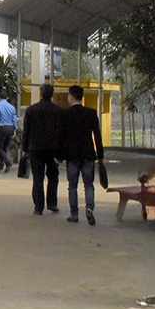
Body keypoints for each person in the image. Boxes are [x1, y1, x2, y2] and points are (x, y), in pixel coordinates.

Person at [61, 84, 104, 225]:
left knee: (72, 186)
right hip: (88, 154)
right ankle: (89, 208)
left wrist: (60, 155)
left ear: (72, 96)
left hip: (72, 156)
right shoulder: (91, 113)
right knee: (89, 184)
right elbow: (97, 136)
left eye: (68, 95)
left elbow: (62, 137)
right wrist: (100, 155)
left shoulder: (65, 114)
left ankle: (74, 214)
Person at [22, 83, 63, 214]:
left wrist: (24, 148)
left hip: (35, 149)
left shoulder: (31, 110)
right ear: (52, 94)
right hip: (53, 149)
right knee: (53, 177)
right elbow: (61, 132)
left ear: (41, 93)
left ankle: (38, 207)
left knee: (38, 178)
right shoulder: (58, 111)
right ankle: (52, 204)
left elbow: (26, 131)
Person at [0, 92, 18, 173]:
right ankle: (0, 165)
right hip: (10, 128)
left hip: (2, 128)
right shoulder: (12, 107)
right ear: (7, 98)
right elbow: (14, 119)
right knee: (5, 148)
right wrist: (15, 130)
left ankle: (8, 162)